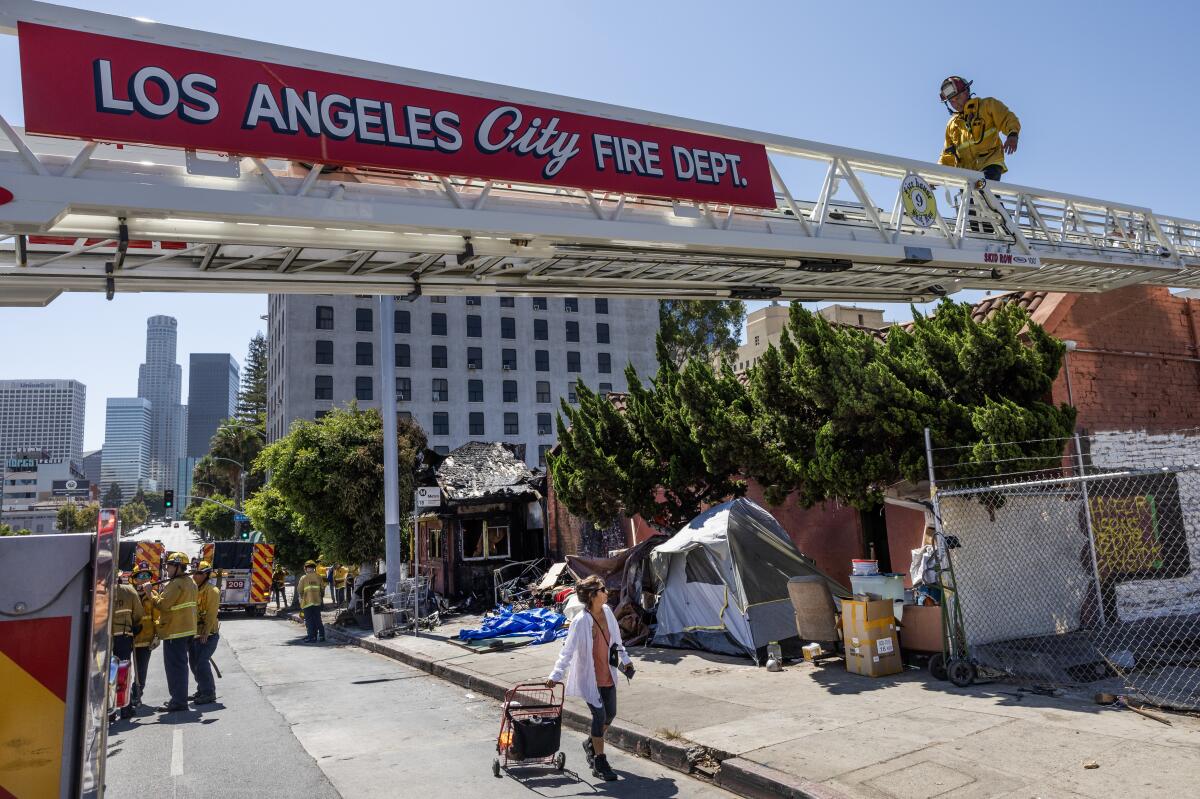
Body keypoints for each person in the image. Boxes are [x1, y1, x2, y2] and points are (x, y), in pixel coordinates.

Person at [545, 575, 634, 782]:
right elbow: (567, 652)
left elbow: (617, 641)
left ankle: (590, 743)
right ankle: (599, 761)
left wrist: (626, 659)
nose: (606, 592)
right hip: (590, 678)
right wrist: (555, 675)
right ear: (593, 595)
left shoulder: (608, 612)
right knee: (599, 716)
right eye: (602, 589)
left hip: (608, 673)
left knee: (611, 714)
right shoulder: (580, 621)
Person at [937, 75, 1020, 182]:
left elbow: (1008, 118)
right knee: (974, 197)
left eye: (957, 98)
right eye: (951, 101)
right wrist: (937, 176)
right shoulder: (953, 125)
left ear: (966, 92)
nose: (955, 103)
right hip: (966, 173)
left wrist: (1012, 135)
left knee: (982, 190)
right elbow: (947, 156)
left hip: (990, 164)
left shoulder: (987, 106)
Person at [154, 551, 198, 712]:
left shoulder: (175, 584)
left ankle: (178, 702)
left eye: (169, 566)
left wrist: (149, 592)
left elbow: (163, 605)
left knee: (175, 668)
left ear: (178, 567)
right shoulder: (190, 582)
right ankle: (179, 698)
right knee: (181, 666)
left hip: (175, 631)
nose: (167, 569)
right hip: (187, 630)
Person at [111, 571, 144, 718]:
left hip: (103, 640)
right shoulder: (129, 591)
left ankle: (109, 711)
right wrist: (134, 626)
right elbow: (138, 614)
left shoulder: (99, 593)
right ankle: (126, 708)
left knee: (108, 674)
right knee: (123, 673)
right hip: (124, 637)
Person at [189, 560, 221, 705]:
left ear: (206, 575)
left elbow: (211, 614)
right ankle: (202, 689)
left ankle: (209, 693)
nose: (195, 575)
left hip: (209, 635)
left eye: (199, 573)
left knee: (201, 662)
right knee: (194, 663)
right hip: (194, 633)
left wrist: (206, 633)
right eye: (194, 572)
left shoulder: (212, 591)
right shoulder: (193, 589)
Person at [131, 564, 160, 709]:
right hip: (127, 639)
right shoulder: (128, 594)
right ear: (134, 579)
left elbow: (159, 616)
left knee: (141, 671)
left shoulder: (153, 595)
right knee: (120, 670)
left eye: (147, 576)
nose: (144, 579)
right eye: (141, 576)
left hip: (145, 640)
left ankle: (136, 696)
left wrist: (157, 636)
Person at [297, 560, 326, 642]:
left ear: (306, 568)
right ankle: (322, 636)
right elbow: (322, 589)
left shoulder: (304, 578)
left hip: (307, 602)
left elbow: (299, 590)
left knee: (309, 620)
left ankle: (312, 637)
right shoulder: (319, 577)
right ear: (314, 568)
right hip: (317, 602)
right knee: (318, 619)